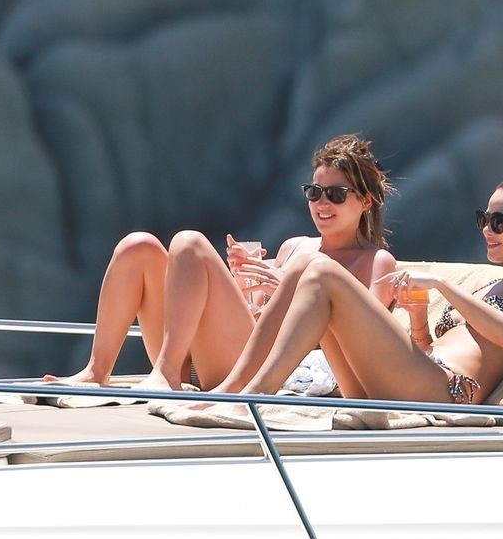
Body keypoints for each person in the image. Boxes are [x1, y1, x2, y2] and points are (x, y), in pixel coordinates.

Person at [227, 152, 503, 406]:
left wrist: (443, 286)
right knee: (306, 265)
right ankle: (235, 389)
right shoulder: (485, 286)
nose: (487, 230)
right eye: (484, 219)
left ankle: (255, 397)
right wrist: (418, 320)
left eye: (499, 222)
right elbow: (428, 349)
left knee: (321, 270)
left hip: (446, 392)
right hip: (412, 380)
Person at [49, 134, 397, 391]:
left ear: (366, 202)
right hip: (216, 353)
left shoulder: (376, 261)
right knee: (137, 246)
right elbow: (260, 317)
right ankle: (96, 371)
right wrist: (242, 287)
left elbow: (362, 348)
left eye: (336, 194)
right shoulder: (294, 247)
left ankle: (166, 374)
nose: (322, 203)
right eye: (314, 192)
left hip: (266, 371)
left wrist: (294, 294)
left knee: (190, 243)